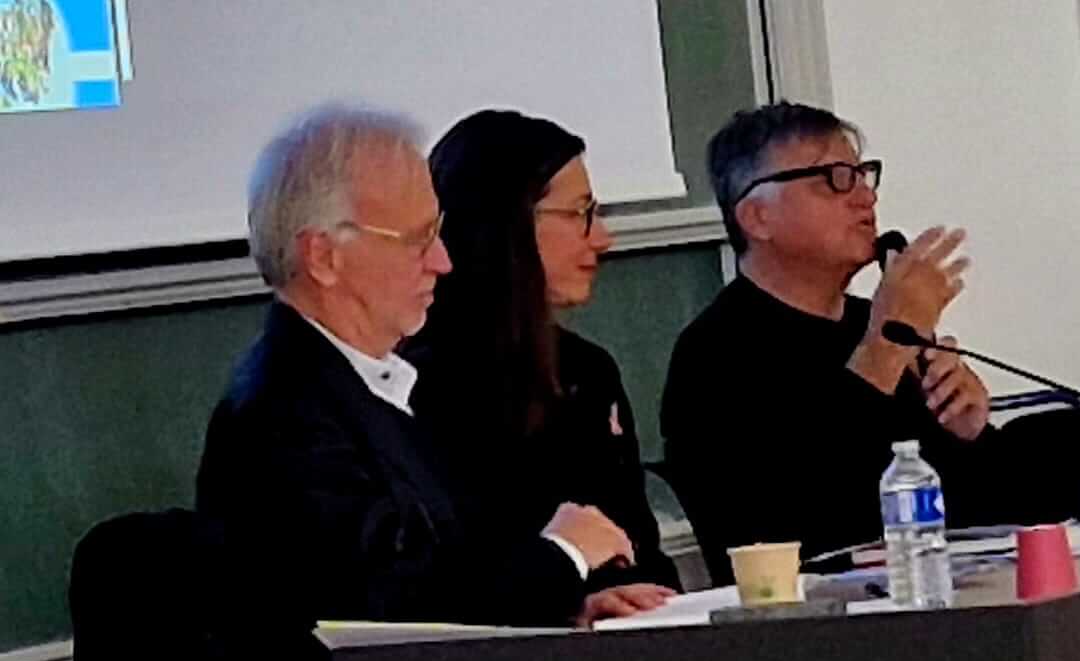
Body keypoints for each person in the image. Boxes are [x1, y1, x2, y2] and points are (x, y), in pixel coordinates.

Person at [197, 103, 648, 632]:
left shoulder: (365, 391)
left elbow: (452, 567)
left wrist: (565, 611)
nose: (443, 261)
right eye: (417, 239)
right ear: (323, 257)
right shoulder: (285, 415)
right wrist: (564, 553)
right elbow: (394, 606)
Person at [661, 101, 1000, 584]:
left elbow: (975, 517)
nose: (865, 197)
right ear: (757, 216)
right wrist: (881, 354)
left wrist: (969, 434)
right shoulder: (715, 355)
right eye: (834, 179)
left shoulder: (874, 325)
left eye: (863, 175)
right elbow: (795, 526)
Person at [404, 109, 679, 615]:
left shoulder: (588, 372)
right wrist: (576, 606)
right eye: (580, 214)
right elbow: (453, 586)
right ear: (505, 221)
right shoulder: (418, 386)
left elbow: (640, 548)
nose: (602, 238)